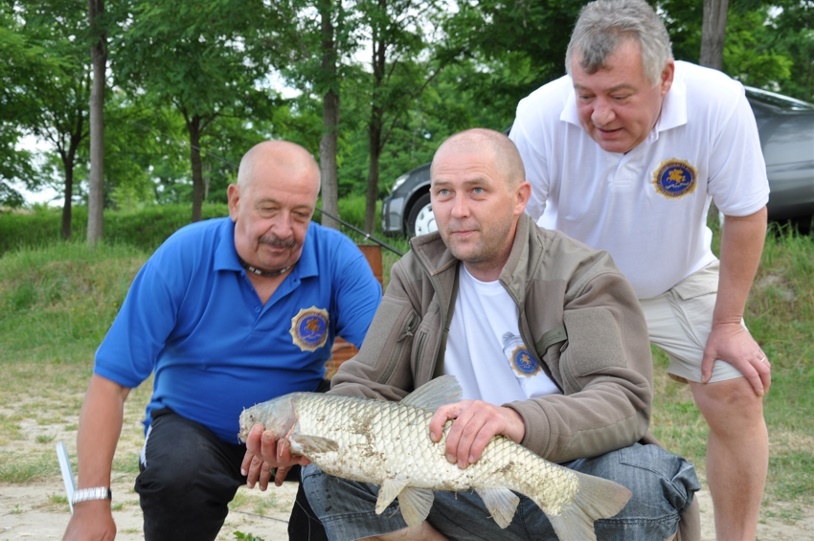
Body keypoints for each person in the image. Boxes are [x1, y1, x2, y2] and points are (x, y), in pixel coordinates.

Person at [243, 128, 700, 540]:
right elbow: (367, 384)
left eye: (477, 190)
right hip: (450, 484)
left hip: (557, 468)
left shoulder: (581, 273)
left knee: (642, 479)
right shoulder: (416, 273)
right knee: (330, 476)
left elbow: (623, 399)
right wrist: (315, 431)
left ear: (520, 197)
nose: (458, 211)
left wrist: (517, 419)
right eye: (444, 192)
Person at [507, 1, 771, 539]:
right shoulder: (538, 113)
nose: (600, 115)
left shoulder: (718, 103)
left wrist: (728, 325)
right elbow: (509, 228)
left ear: (665, 78)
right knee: (562, 415)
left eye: (620, 97)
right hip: (574, 289)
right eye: (586, 95)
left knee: (739, 388)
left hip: (679, 278)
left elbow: (745, 213)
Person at [62, 140, 382, 541]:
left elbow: (385, 362)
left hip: (299, 434)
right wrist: (91, 503)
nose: (284, 230)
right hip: (195, 430)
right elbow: (110, 383)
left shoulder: (337, 257)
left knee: (351, 473)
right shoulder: (183, 255)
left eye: (300, 215)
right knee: (177, 475)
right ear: (235, 201)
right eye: (269, 209)